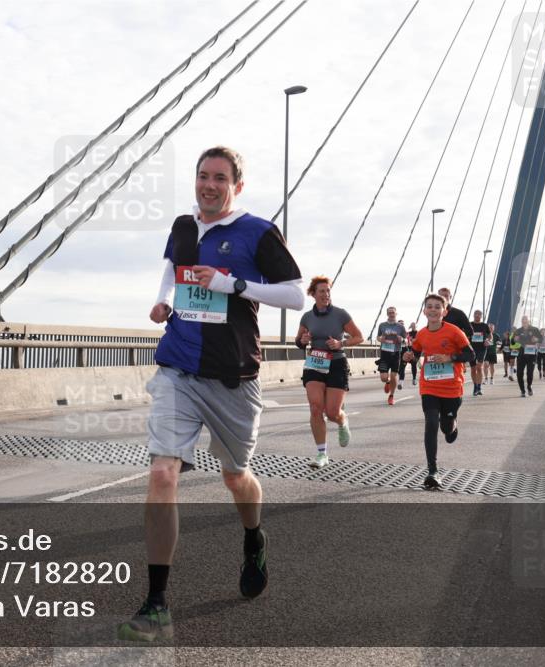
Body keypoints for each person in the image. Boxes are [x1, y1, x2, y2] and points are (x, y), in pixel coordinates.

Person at [118, 146, 305, 642]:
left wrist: (233, 284)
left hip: (232, 378)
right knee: (162, 473)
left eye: (220, 178)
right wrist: (162, 301)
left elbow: (294, 293)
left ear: (236, 186)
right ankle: (157, 603)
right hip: (178, 368)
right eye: (203, 175)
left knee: (236, 478)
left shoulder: (257, 231)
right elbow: (171, 269)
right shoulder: (183, 226)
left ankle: (253, 538)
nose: (209, 184)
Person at [403, 293, 473, 490]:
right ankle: (433, 471)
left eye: (437, 307)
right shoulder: (422, 334)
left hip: (452, 388)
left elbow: (470, 354)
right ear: (424, 311)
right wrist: (409, 356)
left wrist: (450, 358)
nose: (433, 310)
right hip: (429, 386)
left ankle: (452, 425)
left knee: (446, 430)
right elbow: (416, 352)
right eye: (429, 306)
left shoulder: (454, 332)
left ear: (444, 311)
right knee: (431, 423)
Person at [296, 276, 364, 468]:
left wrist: (340, 343)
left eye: (328, 291)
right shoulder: (307, 317)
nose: (326, 294)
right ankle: (322, 454)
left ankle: (342, 421)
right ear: (313, 294)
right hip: (315, 363)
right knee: (315, 408)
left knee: (332, 412)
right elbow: (298, 341)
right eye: (322, 291)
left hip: (336, 364)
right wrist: (303, 340)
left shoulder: (340, 314)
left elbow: (359, 337)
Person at [376, 306, 406, 405]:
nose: (391, 314)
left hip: (395, 353)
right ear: (387, 314)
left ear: (396, 314)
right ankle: (388, 382)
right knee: (383, 378)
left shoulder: (400, 327)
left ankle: (391, 396)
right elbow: (378, 337)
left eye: (393, 312)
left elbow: (406, 339)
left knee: (394, 376)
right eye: (389, 312)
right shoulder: (382, 325)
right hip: (385, 353)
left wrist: (401, 339)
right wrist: (381, 339)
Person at [511, 316, 542, 397]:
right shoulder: (518, 331)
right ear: (521, 322)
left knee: (530, 372)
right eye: (523, 321)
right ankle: (522, 390)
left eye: (526, 321)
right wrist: (514, 339)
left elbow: (541, 339)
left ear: (529, 321)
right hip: (521, 354)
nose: (524, 322)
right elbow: (512, 342)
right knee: (519, 373)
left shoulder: (534, 329)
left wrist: (537, 340)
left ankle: (529, 387)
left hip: (532, 354)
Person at [468, 310, 491, 396]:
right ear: (473, 315)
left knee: (479, 367)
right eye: (476, 314)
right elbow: (464, 334)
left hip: (482, 348)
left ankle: (479, 387)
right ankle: (475, 386)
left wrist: (488, 340)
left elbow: (490, 335)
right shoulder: (469, 325)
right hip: (471, 349)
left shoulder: (484, 325)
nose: (477, 315)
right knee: (473, 369)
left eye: (479, 314)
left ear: (481, 316)